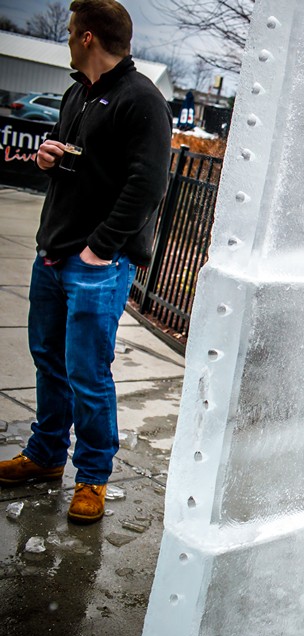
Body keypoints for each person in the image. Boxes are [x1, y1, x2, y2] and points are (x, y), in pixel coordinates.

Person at [0, 0, 172, 523]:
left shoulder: (142, 100)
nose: (69, 39)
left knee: (87, 372)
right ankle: (47, 455)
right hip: (54, 254)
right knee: (48, 361)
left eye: (72, 31)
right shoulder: (78, 92)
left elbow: (147, 186)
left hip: (98, 263)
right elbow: (88, 166)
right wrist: (50, 157)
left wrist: (100, 249)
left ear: (89, 37)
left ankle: (93, 476)